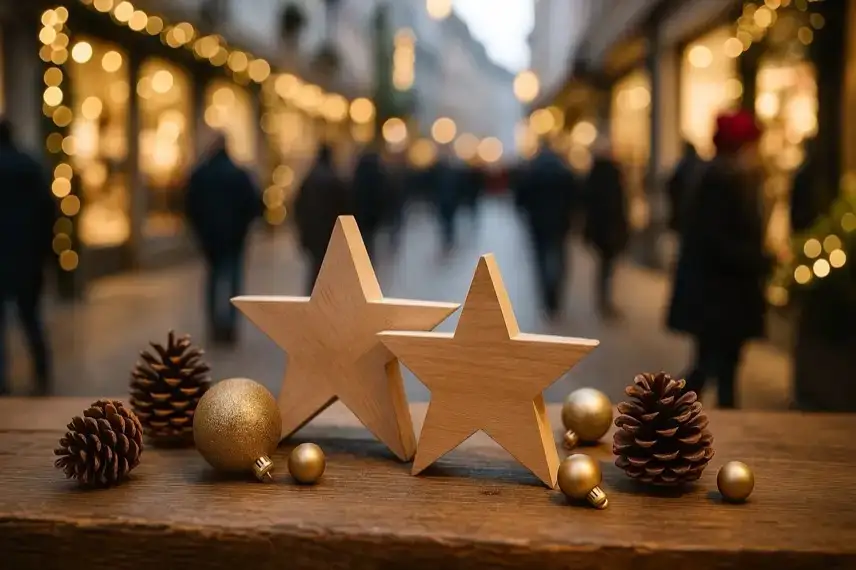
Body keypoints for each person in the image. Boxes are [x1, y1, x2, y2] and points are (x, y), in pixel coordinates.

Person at [667, 111, 771, 409]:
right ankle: (664, 409)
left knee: (717, 365)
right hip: (721, 294)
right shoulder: (723, 180)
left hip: (719, 294)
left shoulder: (718, 176)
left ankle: (667, 409)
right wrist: (759, 260)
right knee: (714, 366)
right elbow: (718, 241)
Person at [185, 133, 263, 345]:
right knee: (233, 281)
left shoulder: (201, 174)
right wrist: (242, 229)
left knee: (213, 280)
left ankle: (214, 325)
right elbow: (253, 206)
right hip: (234, 239)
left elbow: (190, 206)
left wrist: (201, 232)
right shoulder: (239, 174)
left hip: (211, 239)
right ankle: (230, 327)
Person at [0, 119, 55, 396]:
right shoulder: (31, 165)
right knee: (31, 318)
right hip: (28, 256)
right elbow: (48, 210)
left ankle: (2, 381)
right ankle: (42, 373)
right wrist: (45, 250)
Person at [518, 143, 578, 321]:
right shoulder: (564, 171)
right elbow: (574, 198)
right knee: (559, 258)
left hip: (538, 223)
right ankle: (555, 296)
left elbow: (521, 198)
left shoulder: (532, 171)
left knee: (541, 259)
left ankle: (547, 298)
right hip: (560, 223)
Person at [294, 143, 352, 294]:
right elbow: (344, 208)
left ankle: (314, 296)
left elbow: (298, 206)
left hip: (312, 232)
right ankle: (325, 296)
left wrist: (302, 229)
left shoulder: (309, 178)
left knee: (315, 266)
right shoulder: (335, 179)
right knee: (325, 267)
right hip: (329, 232)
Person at [584, 138, 628, 320]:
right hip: (611, 228)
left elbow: (587, 204)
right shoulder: (614, 174)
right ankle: (605, 301)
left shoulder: (593, 174)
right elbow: (619, 204)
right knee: (607, 267)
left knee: (604, 266)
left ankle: (603, 300)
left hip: (600, 229)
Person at [352, 144, 386, 260]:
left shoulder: (358, 175)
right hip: (372, 217)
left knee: (363, 239)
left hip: (360, 215)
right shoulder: (378, 175)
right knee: (369, 241)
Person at [666, 141, 705, 233]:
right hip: (693, 210)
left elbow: (672, 186)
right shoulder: (699, 166)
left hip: (686, 209)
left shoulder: (683, 167)